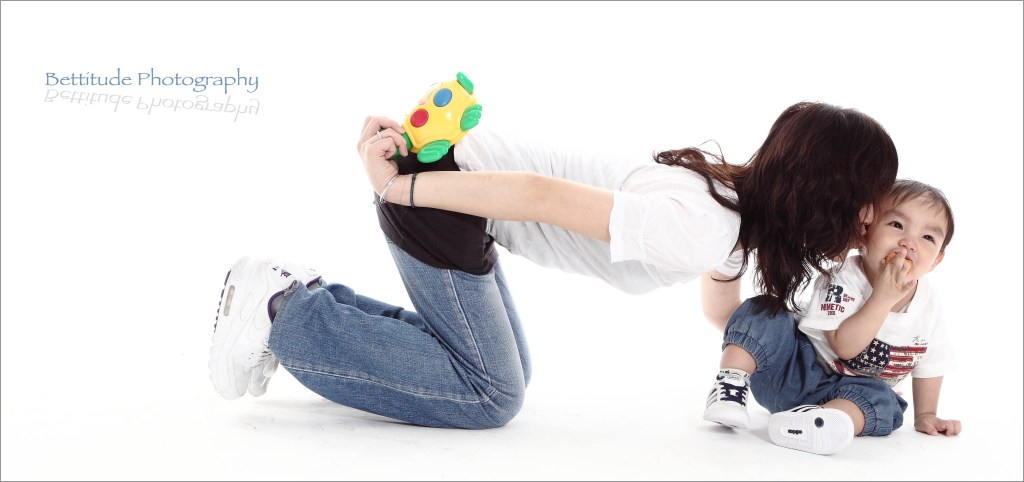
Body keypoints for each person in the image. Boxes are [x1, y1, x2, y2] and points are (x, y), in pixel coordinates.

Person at [209, 101, 898, 429]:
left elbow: (723, 315)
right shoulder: (701, 227)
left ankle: (303, 302)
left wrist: (844, 335)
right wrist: (398, 188)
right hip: (451, 197)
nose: (870, 221)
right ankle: (282, 313)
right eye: (868, 205)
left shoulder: (730, 225)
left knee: (501, 370)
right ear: (828, 195)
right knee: (490, 393)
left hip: (460, 198)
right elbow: (539, 196)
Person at [701, 179, 961, 455]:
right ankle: (731, 383)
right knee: (766, 310)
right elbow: (844, 347)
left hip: (846, 393)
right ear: (865, 233)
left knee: (886, 402)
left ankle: (820, 422)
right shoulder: (843, 277)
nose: (909, 243)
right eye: (896, 225)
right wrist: (882, 299)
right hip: (791, 368)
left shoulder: (928, 305)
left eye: (928, 238)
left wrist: (926, 415)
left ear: (936, 261)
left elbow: (931, 363)